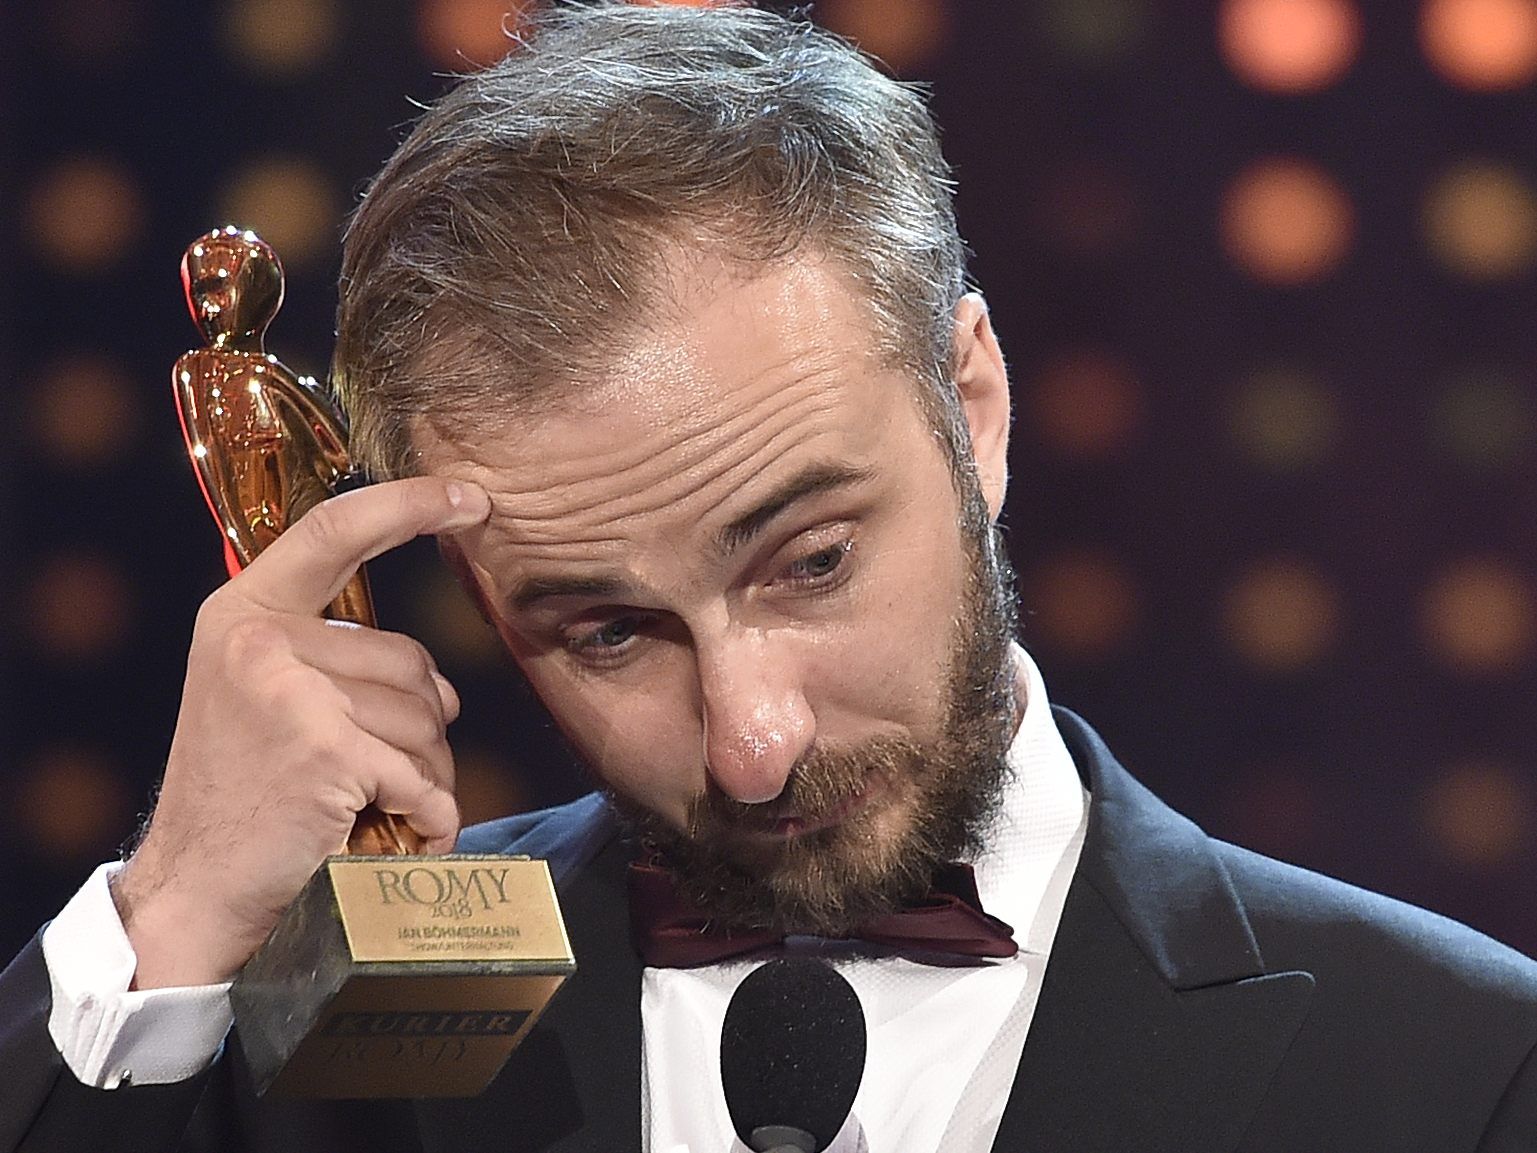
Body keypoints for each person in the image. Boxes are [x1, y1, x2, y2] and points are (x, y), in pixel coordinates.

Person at [3, 4, 1536, 1151]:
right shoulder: (319, 1050)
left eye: (809, 560)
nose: (751, 739)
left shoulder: (1457, 1068)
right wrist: (176, 910)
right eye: (606, 630)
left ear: (973, 405)